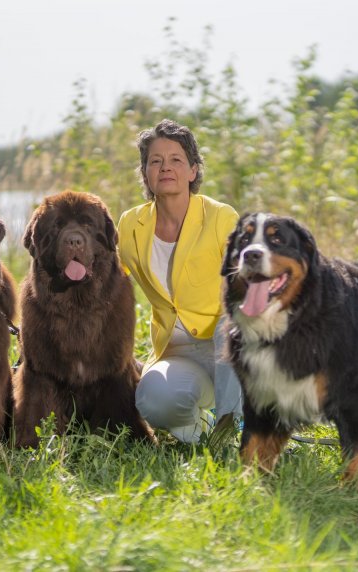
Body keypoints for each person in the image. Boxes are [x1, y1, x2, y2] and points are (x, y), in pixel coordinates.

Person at [117, 119, 242, 444]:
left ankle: (235, 429)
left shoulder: (221, 218)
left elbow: (246, 287)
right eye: (155, 161)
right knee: (153, 398)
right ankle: (200, 437)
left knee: (234, 322)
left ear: (193, 170)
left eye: (175, 160)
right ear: (145, 172)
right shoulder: (131, 225)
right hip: (176, 351)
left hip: (229, 347)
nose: (165, 167)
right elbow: (109, 280)